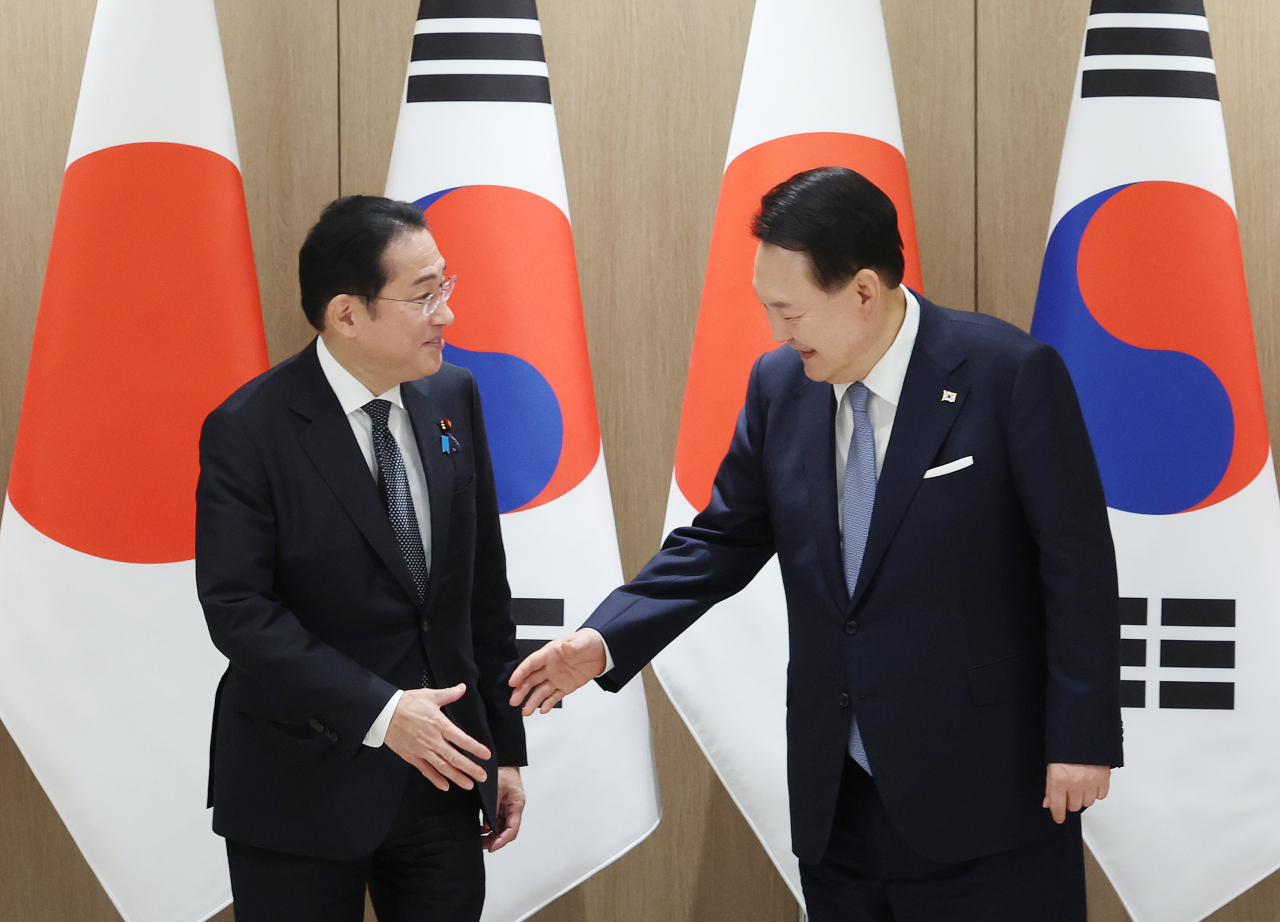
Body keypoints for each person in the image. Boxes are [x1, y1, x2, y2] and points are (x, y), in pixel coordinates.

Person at [510, 168, 1122, 921]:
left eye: (790, 311)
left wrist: (1083, 737)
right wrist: (605, 639)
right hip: (841, 802)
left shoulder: (1008, 374)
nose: (777, 332)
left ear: (863, 292)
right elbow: (721, 540)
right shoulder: (780, 387)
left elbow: (1078, 566)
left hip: (985, 791)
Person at [196, 196, 526, 922]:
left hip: (443, 779)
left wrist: (505, 747)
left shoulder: (453, 396)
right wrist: (382, 712)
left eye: (446, 285)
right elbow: (239, 612)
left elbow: (481, 589)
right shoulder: (249, 430)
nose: (446, 313)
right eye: (422, 295)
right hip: (299, 787)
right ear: (347, 314)